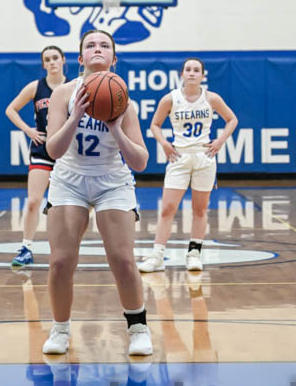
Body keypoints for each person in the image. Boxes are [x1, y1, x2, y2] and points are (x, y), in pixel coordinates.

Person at [42, 29, 152, 357]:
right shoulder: (63, 94)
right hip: (69, 180)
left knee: (123, 260)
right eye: (90, 45)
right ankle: (60, 329)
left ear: (114, 59)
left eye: (105, 45)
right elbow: (53, 150)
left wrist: (116, 128)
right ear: (81, 58)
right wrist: (76, 115)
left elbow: (140, 161)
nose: (97, 49)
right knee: (60, 262)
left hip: (111, 181)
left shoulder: (122, 99)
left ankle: (138, 328)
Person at [138, 57, 237, 273]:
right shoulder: (170, 99)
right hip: (179, 157)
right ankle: (157, 256)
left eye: (196, 70)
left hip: (204, 157)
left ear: (203, 75)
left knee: (199, 209)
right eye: (188, 69)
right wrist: (164, 143)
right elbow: (155, 124)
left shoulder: (211, 98)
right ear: (182, 74)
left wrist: (220, 141)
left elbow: (232, 119)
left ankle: (194, 254)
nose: (192, 73)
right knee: (168, 208)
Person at [4, 45, 67, 267]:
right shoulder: (35, 87)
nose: (52, 62)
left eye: (55, 58)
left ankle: (63, 249)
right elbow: (10, 109)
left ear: (63, 60)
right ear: (43, 64)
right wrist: (28, 130)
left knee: (62, 206)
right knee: (33, 201)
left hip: (66, 152)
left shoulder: (72, 87)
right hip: (42, 149)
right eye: (47, 59)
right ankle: (26, 248)